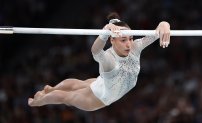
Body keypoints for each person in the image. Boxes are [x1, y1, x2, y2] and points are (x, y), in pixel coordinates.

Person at [28, 12, 171, 111]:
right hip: (98, 98)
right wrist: (104, 32)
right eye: (123, 40)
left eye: (130, 38)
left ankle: (51, 88)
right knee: (66, 97)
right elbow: (96, 51)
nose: (128, 43)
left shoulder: (135, 47)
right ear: (112, 40)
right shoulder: (109, 60)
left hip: (104, 84)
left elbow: (156, 33)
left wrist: (164, 24)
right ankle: (39, 101)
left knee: (81, 84)